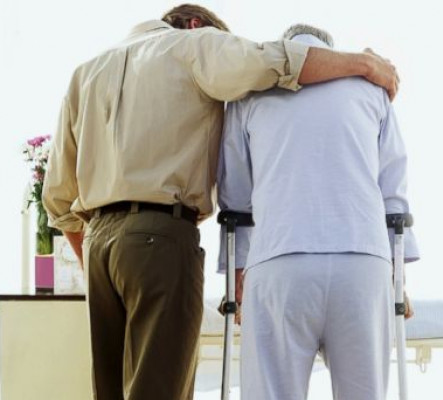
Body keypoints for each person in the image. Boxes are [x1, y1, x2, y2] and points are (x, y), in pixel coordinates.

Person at [41, 4, 400, 399]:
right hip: (159, 238)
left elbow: (57, 198)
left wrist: (97, 259)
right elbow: (277, 60)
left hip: (98, 247)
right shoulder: (194, 46)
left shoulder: (86, 73)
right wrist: (363, 64)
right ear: (196, 25)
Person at [218, 24, 419, 400]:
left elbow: (236, 198)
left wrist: (237, 275)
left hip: (280, 260)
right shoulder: (373, 89)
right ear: (331, 50)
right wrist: (398, 279)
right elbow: (393, 192)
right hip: (363, 262)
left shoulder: (248, 94)